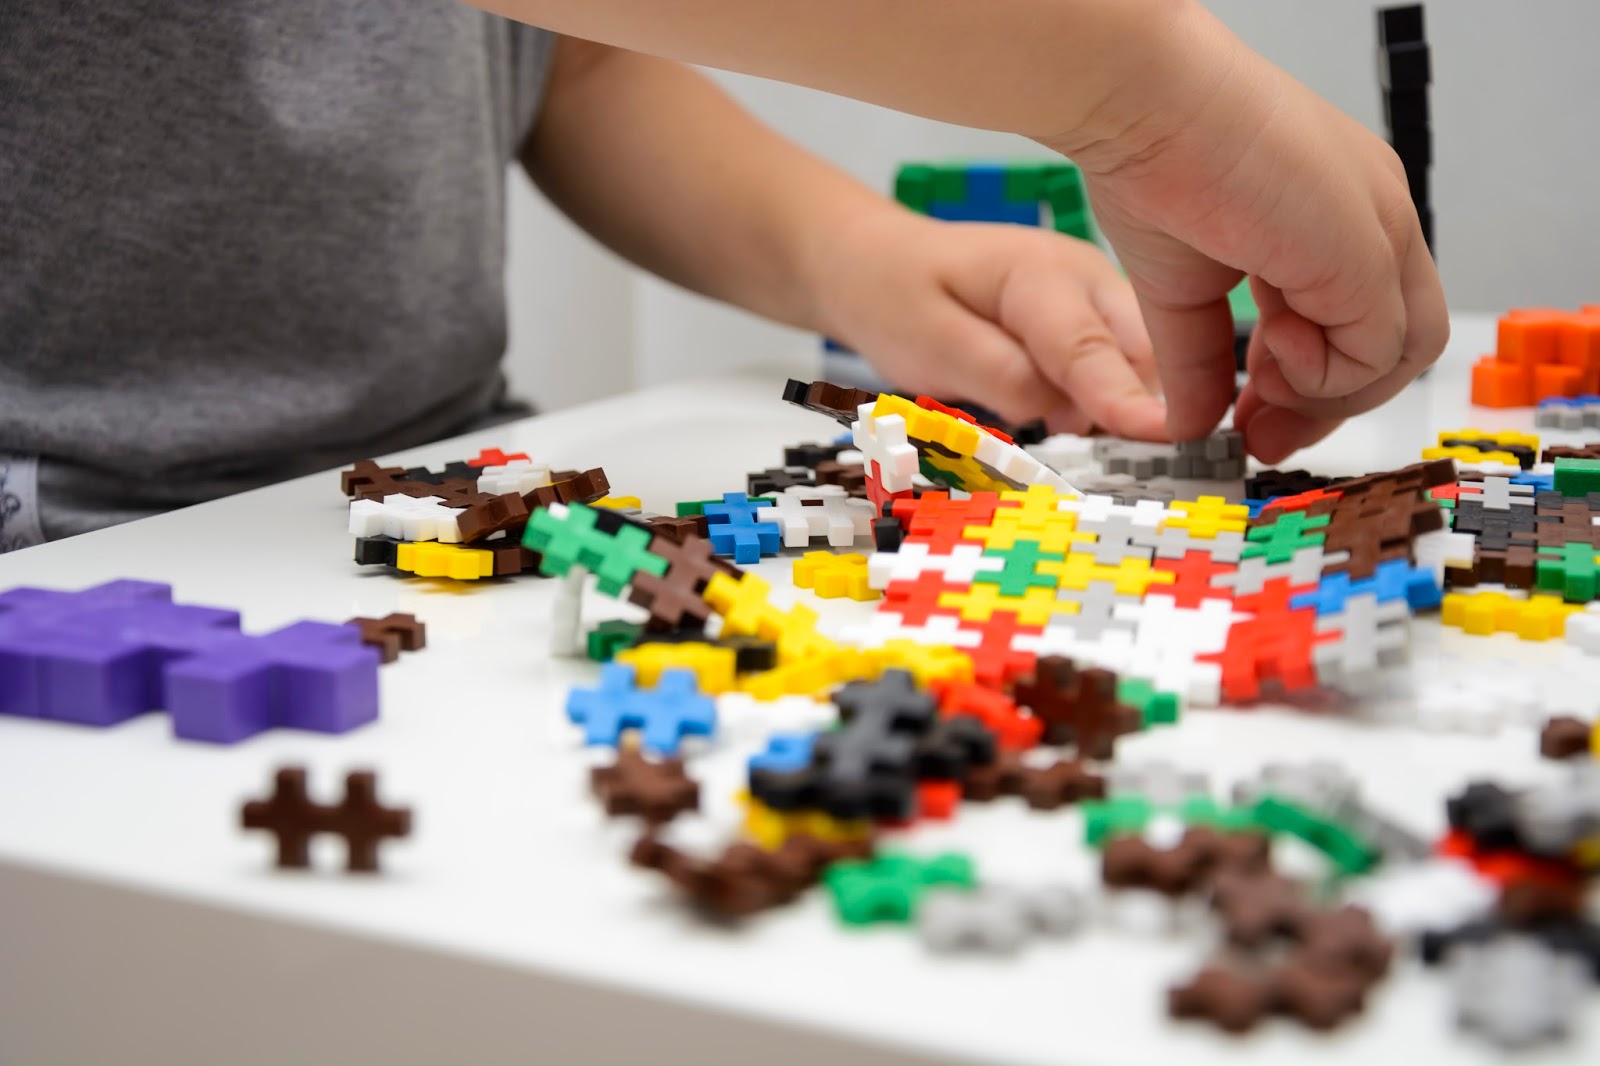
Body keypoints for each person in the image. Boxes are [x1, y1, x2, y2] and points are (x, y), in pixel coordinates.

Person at [0, 0, 1446, 550]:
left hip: (452, 476)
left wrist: (861, 258)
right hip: (80, 534)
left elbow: (566, 66)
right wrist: (1154, 96)